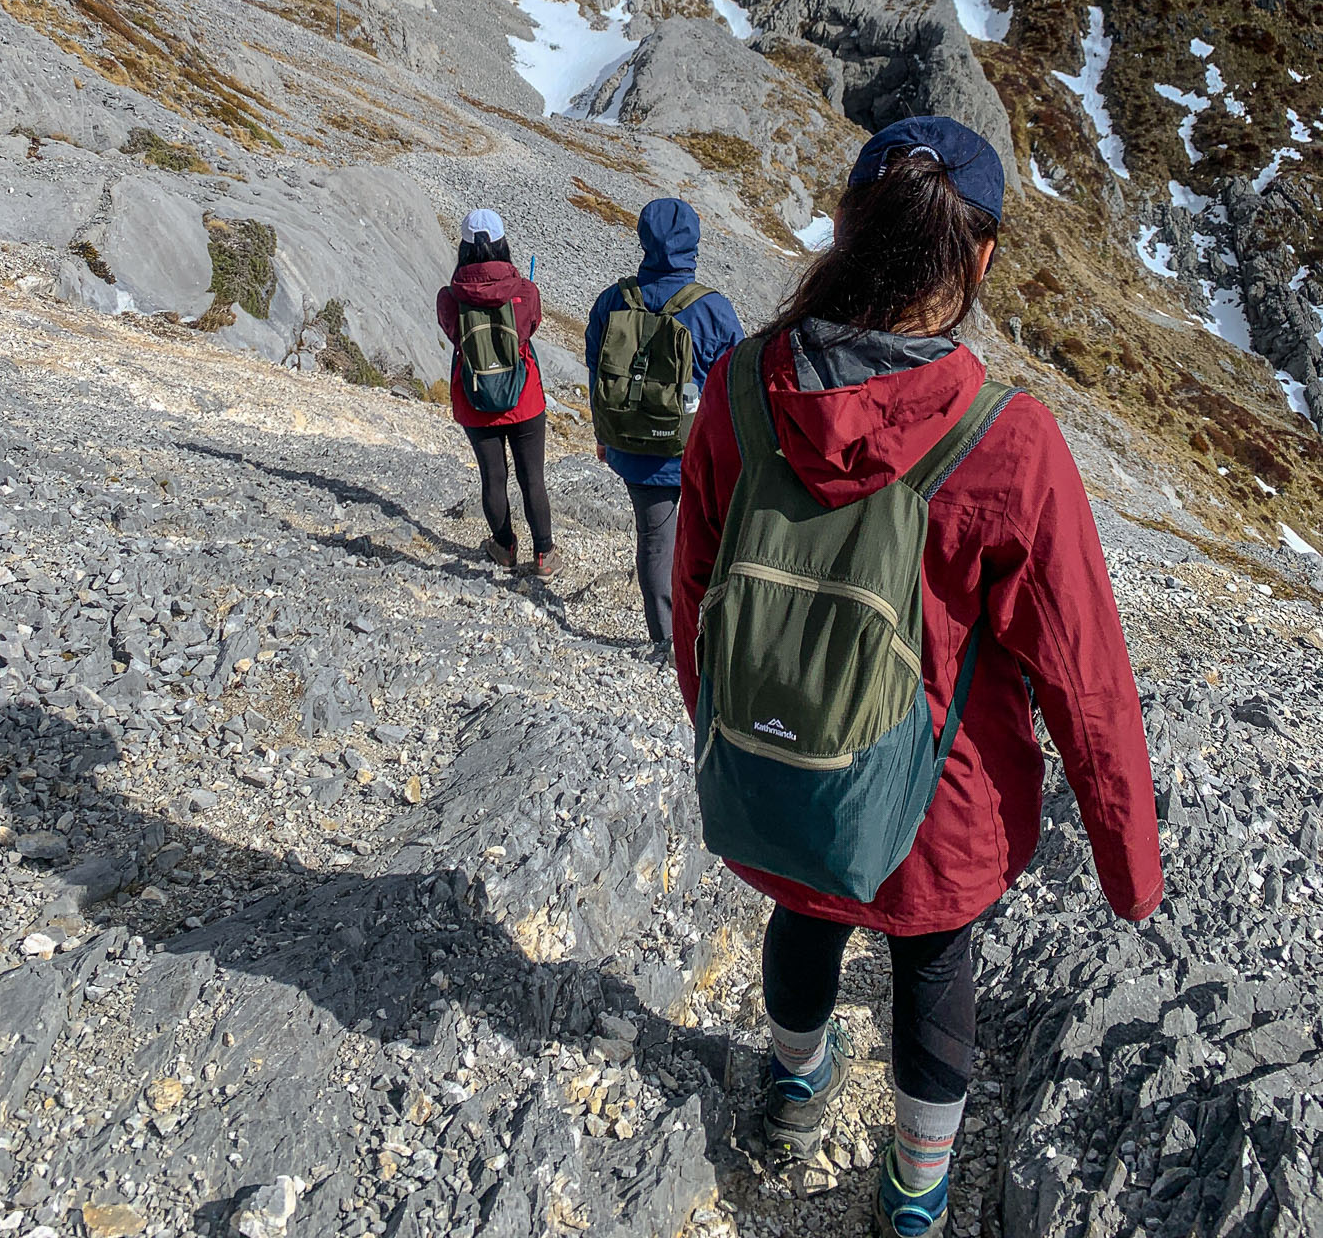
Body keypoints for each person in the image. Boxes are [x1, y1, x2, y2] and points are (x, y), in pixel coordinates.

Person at [672, 118, 1162, 1238]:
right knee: (934, 961)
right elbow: (1083, 673)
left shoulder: (742, 387)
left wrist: (738, 734)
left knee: (802, 916)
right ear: (980, 256)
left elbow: (696, 596)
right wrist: (1131, 868)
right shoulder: (1009, 439)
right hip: (937, 804)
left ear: (848, 226)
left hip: (775, 761)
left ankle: (797, 1089)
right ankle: (913, 1190)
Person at [586, 199, 743, 658]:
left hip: (634, 448)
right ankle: (709, 634)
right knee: (708, 541)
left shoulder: (612, 301)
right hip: (698, 452)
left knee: (655, 542)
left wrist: (604, 435)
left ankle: (667, 641)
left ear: (643, 240)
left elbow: (597, 372)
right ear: (693, 244)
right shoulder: (712, 309)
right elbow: (736, 384)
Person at [436, 209, 561, 577]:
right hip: (524, 398)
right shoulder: (526, 292)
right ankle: (544, 554)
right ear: (502, 243)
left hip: (475, 398)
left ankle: (504, 548)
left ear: (464, 248)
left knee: (493, 476)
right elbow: (530, 327)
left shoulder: (450, 297)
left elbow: (453, 334)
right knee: (532, 477)